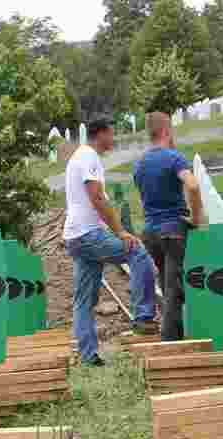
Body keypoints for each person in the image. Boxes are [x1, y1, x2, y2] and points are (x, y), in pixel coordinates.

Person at [64, 118, 158, 367]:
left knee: (84, 300)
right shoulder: (88, 156)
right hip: (87, 234)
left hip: (76, 235)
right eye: (111, 135)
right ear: (101, 134)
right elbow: (96, 197)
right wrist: (121, 232)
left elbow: (93, 201)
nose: (113, 140)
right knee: (137, 253)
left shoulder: (80, 157)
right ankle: (143, 317)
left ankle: (88, 356)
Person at [133, 112, 205, 342]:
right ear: (166, 131)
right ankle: (170, 342)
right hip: (173, 230)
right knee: (175, 290)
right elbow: (192, 186)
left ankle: (177, 334)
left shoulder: (140, 164)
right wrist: (196, 218)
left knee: (167, 285)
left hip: (151, 233)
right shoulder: (174, 158)